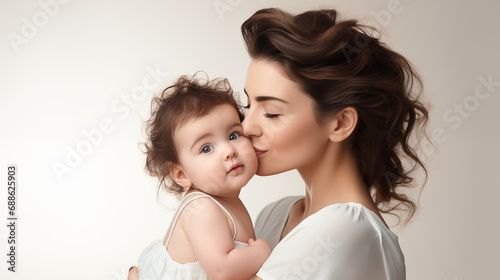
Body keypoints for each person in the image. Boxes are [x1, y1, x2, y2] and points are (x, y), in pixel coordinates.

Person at [129, 7, 428, 280]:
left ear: (339, 123)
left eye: (271, 112)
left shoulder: (346, 229)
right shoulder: (277, 214)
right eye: (248, 106)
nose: (246, 127)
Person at [136, 73, 271, 280]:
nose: (229, 151)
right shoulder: (201, 208)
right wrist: (261, 252)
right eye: (206, 148)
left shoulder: (223, 201)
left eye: (233, 135)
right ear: (181, 174)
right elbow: (221, 270)